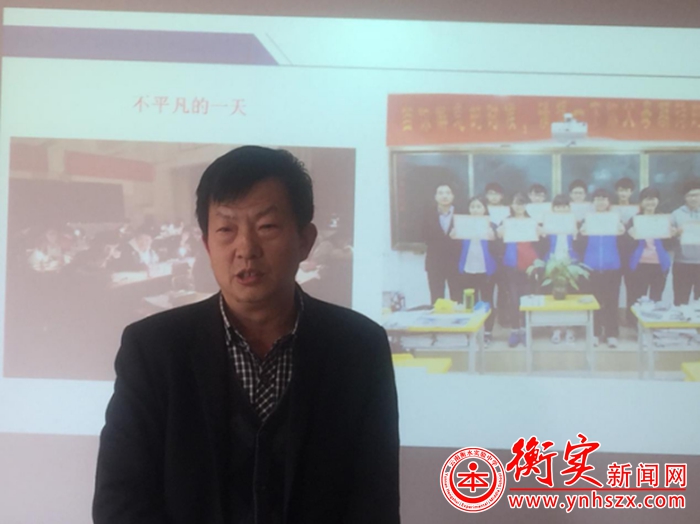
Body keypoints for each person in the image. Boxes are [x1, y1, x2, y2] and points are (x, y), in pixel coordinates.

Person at [93, 146, 400, 524]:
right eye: (226, 229)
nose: (246, 249)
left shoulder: (359, 348)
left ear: (305, 240)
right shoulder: (154, 349)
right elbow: (120, 503)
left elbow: (375, 500)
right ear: (207, 244)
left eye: (267, 227)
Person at [576, 188, 626, 348]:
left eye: (604, 198)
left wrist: (623, 233)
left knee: (612, 301)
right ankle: (595, 333)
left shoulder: (616, 220)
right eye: (597, 198)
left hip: (612, 266)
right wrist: (581, 234)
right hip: (591, 266)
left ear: (609, 202)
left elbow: (625, 245)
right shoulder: (586, 220)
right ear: (592, 202)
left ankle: (611, 334)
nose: (601, 202)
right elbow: (578, 245)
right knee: (593, 302)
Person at [452, 196, 499, 345]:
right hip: (467, 268)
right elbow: (454, 244)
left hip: (486, 269)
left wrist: (494, 236)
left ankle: (487, 332)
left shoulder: (492, 225)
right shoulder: (461, 224)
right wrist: (454, 234)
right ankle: (471, 331)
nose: (475, 210)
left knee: (487, 300)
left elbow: (498, 248)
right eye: (472, 207)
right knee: (469, 301)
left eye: (479, 207)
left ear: (485, 208)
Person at [497, 193, 542, 348]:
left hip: (529, 263)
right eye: (516, 203)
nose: (519, 206)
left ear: (526, 205)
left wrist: (541, 231)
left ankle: (525, 330)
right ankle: (515, 330)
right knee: (513, 298)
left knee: (527, 298)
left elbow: (541, 240)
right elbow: (498, 238)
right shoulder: (506, 221)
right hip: (511, 263)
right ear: (511, 205)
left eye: (522, 203)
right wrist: (499, 232)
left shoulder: (532, 221)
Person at [624, 187, 675, 306]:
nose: (650, 202)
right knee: (636, 298)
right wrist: (630, 235)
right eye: (646, 199)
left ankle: (653, 318)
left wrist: (672, 235)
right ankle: (633, 318)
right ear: (641, 202)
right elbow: (626, 245)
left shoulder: (663, 219)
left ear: (658, 201)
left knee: (656, 299)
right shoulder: (634, 219)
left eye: (653, 199)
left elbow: (669, 246)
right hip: (639, 264)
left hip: (659, 265)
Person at [543, 194, 581, 344]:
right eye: (558, 207)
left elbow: (580, 244)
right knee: (554, 296)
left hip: (571, 263)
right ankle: (556, 329)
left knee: (571, 296)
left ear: (569, 208)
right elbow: (541, 244)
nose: (561, 209)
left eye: (565, 206)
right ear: (553, 209)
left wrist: (577, 233)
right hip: (552, 264)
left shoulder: (575, 224)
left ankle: (571, 328)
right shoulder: (548, 224)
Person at [422, 183, 462, 304]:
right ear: (435, 197)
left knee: (457, 298)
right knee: (436, 299)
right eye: (441, 193)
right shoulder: (427, 214)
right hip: (435, 262)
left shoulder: (462, 213)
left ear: (453, 196)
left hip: (456, 262)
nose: (444, 196)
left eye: (448, 193)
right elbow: (421, 235)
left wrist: (460, 233)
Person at [671, 178, 700, 305]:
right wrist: (675, 234)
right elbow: (667, 238)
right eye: (690, 195)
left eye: (697, 195)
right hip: (682, 263)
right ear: (684, 197)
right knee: (680, 300)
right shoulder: (676, 214)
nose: (694, 199)